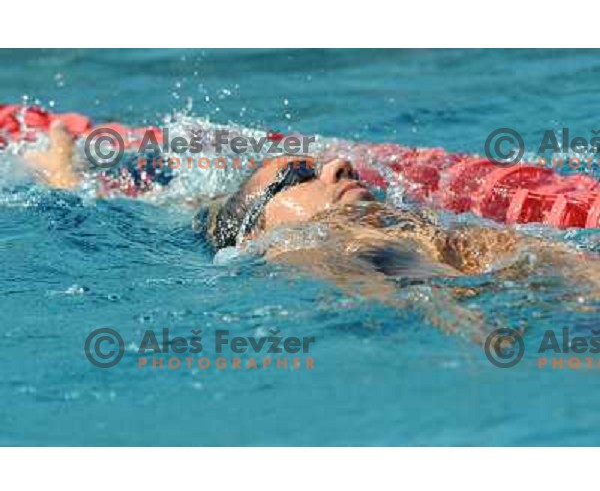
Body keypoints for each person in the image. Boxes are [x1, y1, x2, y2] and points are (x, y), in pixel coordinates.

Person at [23, 120, 600, 342]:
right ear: (259, 230)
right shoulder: (309, 242)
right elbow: (432, 302)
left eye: (320, 165)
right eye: (299, 174)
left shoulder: (425, 225)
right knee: (88, 190)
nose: (339, 167)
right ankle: (59, 169)